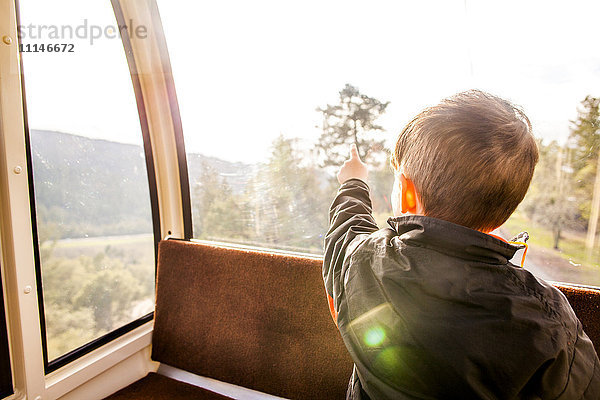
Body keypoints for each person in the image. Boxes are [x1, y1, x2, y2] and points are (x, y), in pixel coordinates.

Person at [323, 90, 600, 399]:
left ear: (407, 194)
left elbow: (345, 234)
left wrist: (353, 183)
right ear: (505, 211)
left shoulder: (365, 263)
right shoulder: (550, 319)